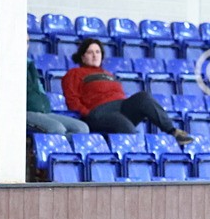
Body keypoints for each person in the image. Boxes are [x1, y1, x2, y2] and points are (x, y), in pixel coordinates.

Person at [62, 38, 193, 145]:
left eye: (98, 52)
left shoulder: (108, 74)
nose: (95, 55)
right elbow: (72, 99)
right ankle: (138, 154)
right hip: (98, 113)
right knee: (120, 122)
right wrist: (87, 113)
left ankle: (173, 132)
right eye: (90, 52)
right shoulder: (74, 73)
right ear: (82, 57)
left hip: (121, 106)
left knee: (143, 97)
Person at [26, 58, 89, 135]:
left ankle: (64, 145)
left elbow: (40, 90)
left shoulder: (31, 65)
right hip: (27, 113)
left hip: (45, 111)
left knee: (82, 128)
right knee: (57, 129)